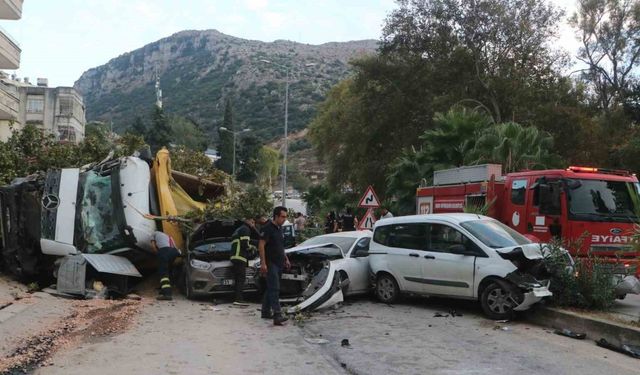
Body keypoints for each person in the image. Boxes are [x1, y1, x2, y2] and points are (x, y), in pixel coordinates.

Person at [259, 206, 291, 326]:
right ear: (276, 216)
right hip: (270, 263)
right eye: (282, 217)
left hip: (279, 262)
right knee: (275, 288)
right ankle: (277, 315)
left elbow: (281, 246)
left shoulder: (279, 229)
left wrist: (286, 259)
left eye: (285, 217)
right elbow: (261, 245)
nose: (284, 219)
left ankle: (265, 311)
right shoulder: (267, 228)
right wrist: (263, 263)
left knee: (271, 287)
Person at [230, 217, 258, 304]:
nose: (253, 224)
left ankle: (236, 297)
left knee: (237, 278)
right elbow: (245, 244)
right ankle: (239, 299)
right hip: (240, 257)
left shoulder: (238, 229)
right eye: (252, 222)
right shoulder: (246, 229)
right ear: (247, 221)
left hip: (234, 256)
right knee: (241, 279)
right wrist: (253, 247)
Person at [151, 231, 181, 301]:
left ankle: (167, 294)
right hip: (174, 252)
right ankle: (164, 288)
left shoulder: (154, 233)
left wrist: (158, 254)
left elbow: (153, 246)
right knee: (168, 270)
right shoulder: (168, 235)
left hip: (164, 251)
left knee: (163, 273)